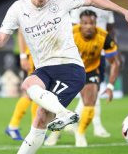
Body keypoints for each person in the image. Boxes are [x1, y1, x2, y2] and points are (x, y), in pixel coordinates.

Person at [0, 0, 128, 154]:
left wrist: (125, 11)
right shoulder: (18, 8)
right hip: (44, 69)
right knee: (37, 110)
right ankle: (63, 114)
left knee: (35, 100)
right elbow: (1, 39)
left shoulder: (62, 1)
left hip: (70, 68)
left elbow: (93, 0)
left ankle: (63, 113)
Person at [44, 10, 120, 147]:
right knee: (58, 103)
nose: (89, 26)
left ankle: (80, 133)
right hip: (68, 70)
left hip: (90, 71)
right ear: (80, 24)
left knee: (90, 103)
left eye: (92, 23)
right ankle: (55, 132)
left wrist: (110, 87)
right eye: (85, 23)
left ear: (96, 24)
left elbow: (115, 62)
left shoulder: (104, 36)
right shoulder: (69, 33)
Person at [69, 0, 116, 138]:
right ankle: (91, 125)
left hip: (101, 51)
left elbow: (110, 29)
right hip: (81, 53)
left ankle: (91, 124)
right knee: (90, 91)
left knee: (94, 90)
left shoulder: (106, 4)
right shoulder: (81, 2)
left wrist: (114, 48)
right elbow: (74, 28)